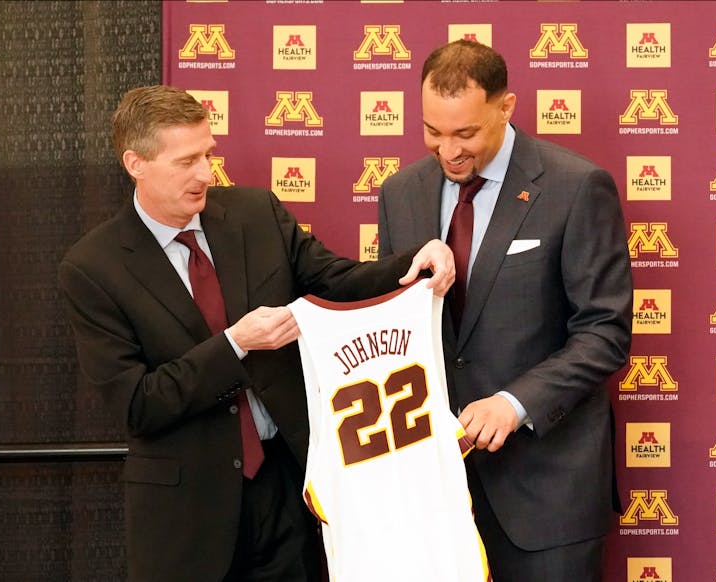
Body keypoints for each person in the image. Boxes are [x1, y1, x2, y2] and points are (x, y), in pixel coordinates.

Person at [58, 84, 455, 582]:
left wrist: (417, 263)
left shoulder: (255, 214)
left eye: (208, 154)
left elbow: (338, 280)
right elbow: (138, 403)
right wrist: (235, 345)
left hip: (287, 490)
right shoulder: (93, 268)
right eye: (186, 162)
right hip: (187, 520)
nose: (206, 173)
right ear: (135, 163)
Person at [377, 40, 633, 581]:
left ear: (506, 107)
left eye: (465, 133)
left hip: (547, 491)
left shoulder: (576, 187)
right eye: (433, 132)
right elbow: (391, 322)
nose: (448, 151)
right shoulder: (400, 192)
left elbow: (603, 332)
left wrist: (514, 403)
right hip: (432, 494)